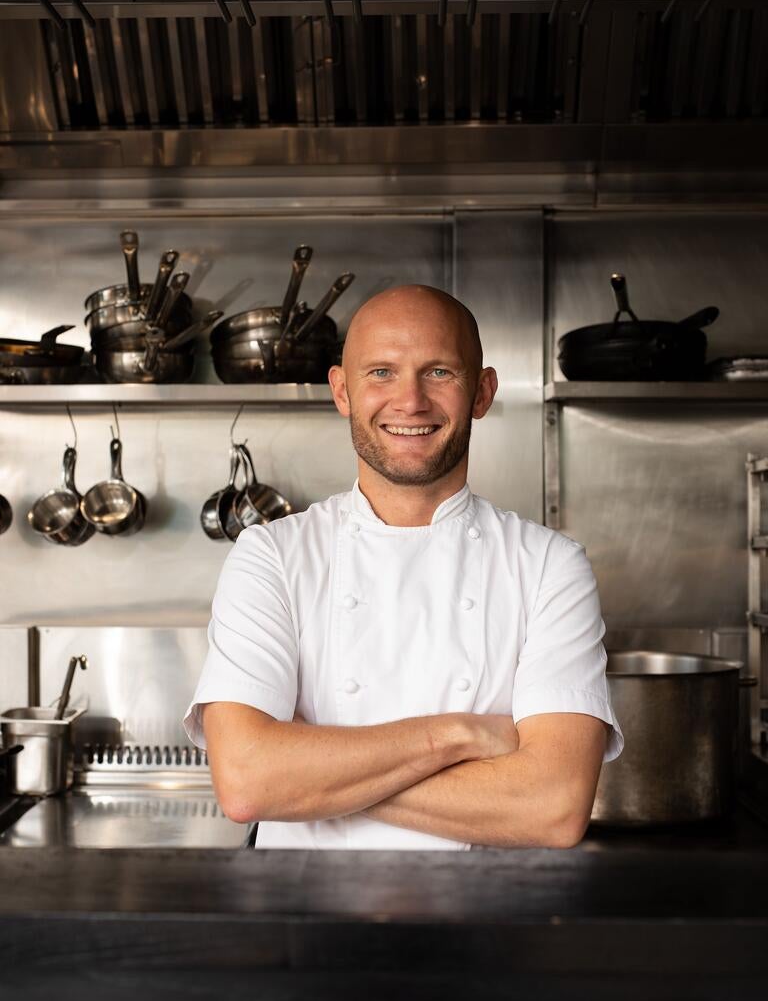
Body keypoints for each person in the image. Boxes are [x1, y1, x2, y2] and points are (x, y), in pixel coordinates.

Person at [184, 284, 623, 850]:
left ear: (483, 392)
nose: (410, 401)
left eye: (439, 372)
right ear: (341, 391)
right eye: (381, 373)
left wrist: (310, 780)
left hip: (485, 924)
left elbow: (553, 808)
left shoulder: (549, 567)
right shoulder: (271, 555)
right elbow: (246, 783)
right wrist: (457, 735)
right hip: (308, 921)